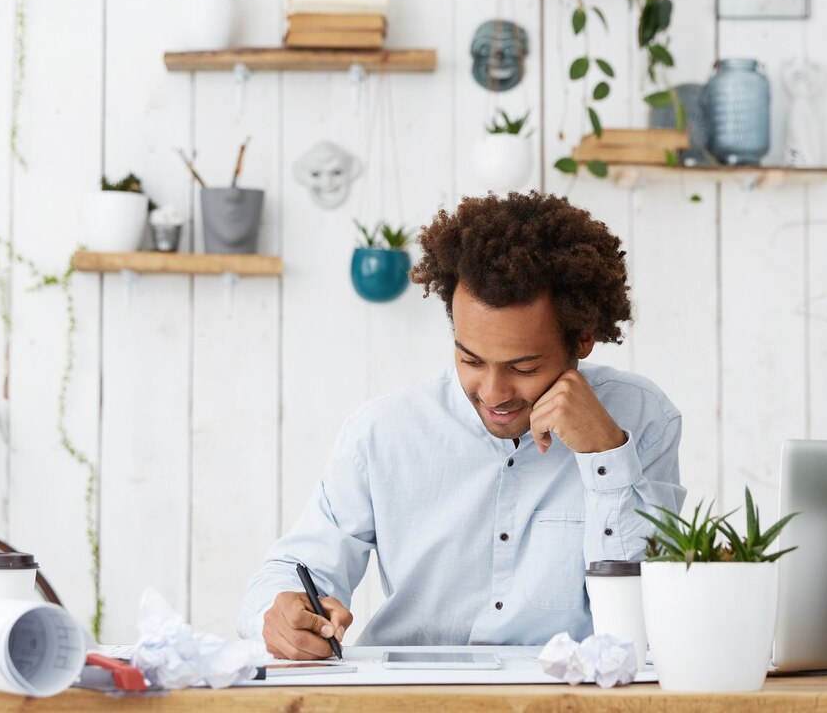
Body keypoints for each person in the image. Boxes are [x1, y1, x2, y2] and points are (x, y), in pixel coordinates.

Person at [237, 192, 684, 659]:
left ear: (583, 339)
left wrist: (605, 456)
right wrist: (280, 611)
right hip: (410, 700)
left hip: (568, 698)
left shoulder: (641, 419)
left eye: (524, 367)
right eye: (470, 359)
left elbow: (652, 619)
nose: (493, 393)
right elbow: (292, 569)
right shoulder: (385, 431)